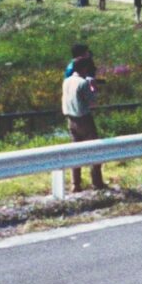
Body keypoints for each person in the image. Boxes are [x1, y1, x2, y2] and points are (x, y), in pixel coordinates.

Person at [62, 55, 105, 191]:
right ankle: (97, 182)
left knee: (76, 152)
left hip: (70, 119)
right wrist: (93, 88)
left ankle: (76, 184)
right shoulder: (83, 83)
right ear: (85, 68)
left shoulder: (67, 81)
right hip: (84, 119)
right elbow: (92, 102)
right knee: (94, 150)